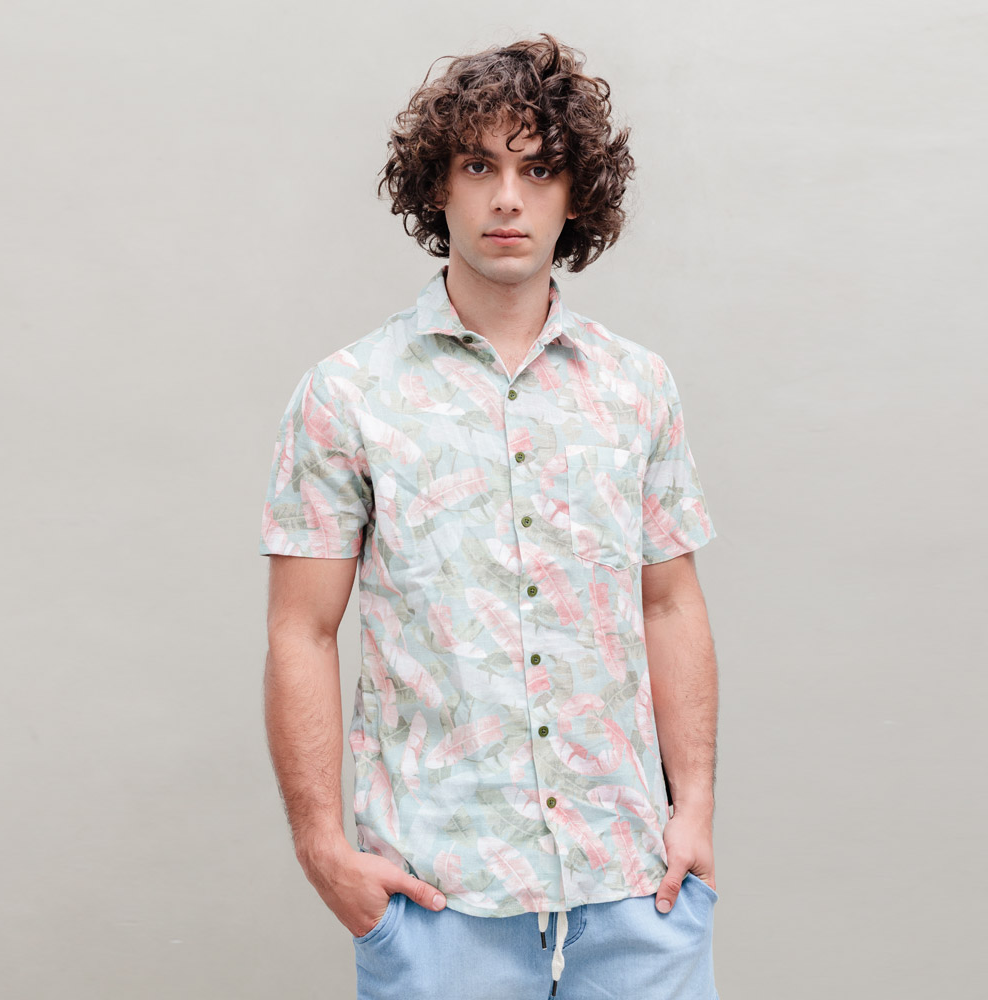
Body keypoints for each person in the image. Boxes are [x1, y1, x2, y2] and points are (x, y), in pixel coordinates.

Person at [259, 33, 721, 1000]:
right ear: (438, 185)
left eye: (539, 169)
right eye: (479, 166)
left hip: (635, 889)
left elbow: (671, 603)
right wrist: (322, 848)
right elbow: (302, 629)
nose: (508, 197)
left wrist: (696, 813)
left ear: (575, 194)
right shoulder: (348, 395)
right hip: (440, 904)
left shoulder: (638, 388)